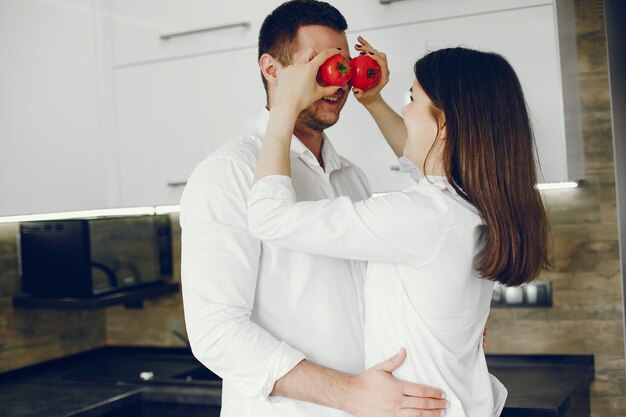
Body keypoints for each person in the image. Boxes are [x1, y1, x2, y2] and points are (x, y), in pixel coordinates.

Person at [246, 43, 551, 417]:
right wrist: (373, 102)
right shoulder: (468, 204)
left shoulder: (423, 216)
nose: (404, 110)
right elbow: (417, 162)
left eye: (411, 98)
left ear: (443, 124)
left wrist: (284, 108)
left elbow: (269, 217)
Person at [180, 1, 449, 417]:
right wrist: (349, 394)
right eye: (318, 66)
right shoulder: (228, 173)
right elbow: (215, 332)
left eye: (343, 66)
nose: (338, 83)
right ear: (272, 70)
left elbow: (438, 190)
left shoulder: (350, 177)